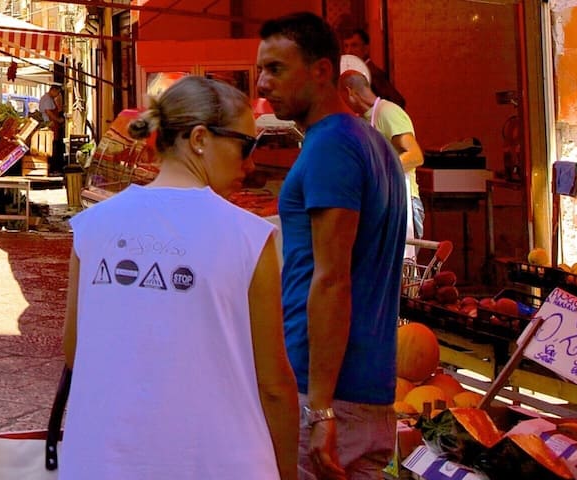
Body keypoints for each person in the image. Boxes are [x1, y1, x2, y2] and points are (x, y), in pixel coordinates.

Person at [62, 75, 300, 479]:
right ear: (200, 138)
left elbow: (75, 350)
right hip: (219, 462)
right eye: (246, 146)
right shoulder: (248, 237)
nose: (251, 164)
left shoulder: (92, 226)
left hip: (101, 460)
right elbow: (273, 384)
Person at [255, 12, 407, 480]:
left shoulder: (331, 147)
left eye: (276, 69)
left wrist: (319, 410)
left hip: (327, 392)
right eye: (261, 70)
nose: (262, 84)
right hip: (367, 388)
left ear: (322, 70)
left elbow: (331, 277)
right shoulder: (372, 143)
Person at [340, 55, 424, 250]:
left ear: (349, 92)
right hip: (382, 203)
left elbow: (415, 155)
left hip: (403, 203)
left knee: (401, 266)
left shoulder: (388, 112)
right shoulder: (363, 119)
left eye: (340, 96)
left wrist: (376, 172)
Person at [336, 26, 406, 109]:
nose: (349, 51)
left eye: (354, 45)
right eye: (346, 46)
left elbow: (398, 102)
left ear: (366, 48)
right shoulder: (350, 72)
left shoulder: (374, 74)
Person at [40, 85, 68, 173]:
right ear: (53, 90)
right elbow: (49, 112)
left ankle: (52, 167)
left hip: (52, 125)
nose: (57, 95)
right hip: (50, 125)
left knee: (53, 145)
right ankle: (52, 167)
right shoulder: (47, 99)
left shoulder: (48, 98)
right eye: (57, 93)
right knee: (52, 145)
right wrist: (58, 120)